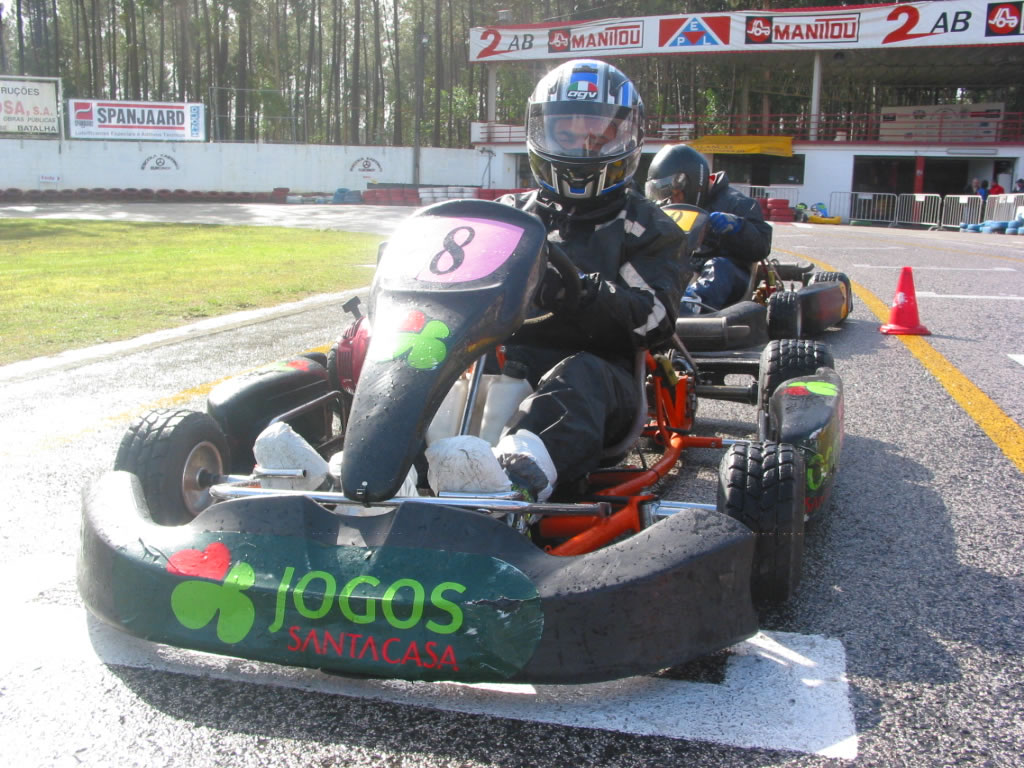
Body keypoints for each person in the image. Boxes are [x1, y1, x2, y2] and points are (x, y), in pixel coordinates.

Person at [427, 59, 687, 502]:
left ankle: (512, 486)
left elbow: (655, 321)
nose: (582, 146)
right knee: (434, 359)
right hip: (503, 366)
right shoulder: (510, 215)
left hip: (602, 381)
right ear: (541, 133)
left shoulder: (648, 228)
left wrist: (580, 292)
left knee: (579, 373)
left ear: (626, 138)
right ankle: (388, 467)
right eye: (566, 134)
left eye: (598, 135)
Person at [644, 143, 773, 313]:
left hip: (730, 274)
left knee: (718, 266)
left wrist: (738, 226)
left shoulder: (738, 203)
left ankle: (690, 306)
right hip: (688, 268)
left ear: (691, 182)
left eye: (675, 194)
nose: (672, 201)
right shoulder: (671, 209)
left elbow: (762, 246)